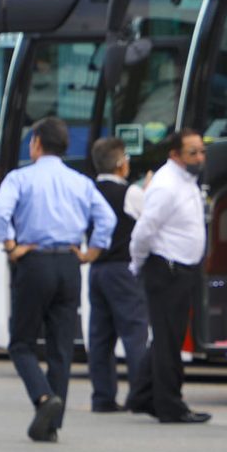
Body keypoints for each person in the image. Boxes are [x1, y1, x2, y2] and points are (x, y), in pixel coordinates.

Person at [0, 116, 113, 442]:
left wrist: (10, 245)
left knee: (21, 342)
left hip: (35, 261)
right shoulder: (81, 182)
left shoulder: (20, 178)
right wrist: (92, 252)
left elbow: (0, 212)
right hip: (69, 265)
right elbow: (107, 218)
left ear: (37, 143)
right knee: (61, 346)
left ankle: (44, 398)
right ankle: (52, 425)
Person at [128, 128, 212, 425]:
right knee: (168, 341)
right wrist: (138, 263)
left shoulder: (186, 180)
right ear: (174, 154)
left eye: (202, 151)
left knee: (168, 336)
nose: (200, 157)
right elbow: (144, 230)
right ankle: (170, 404)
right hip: (167, 268)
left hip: (182, 268)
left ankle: (141, 395)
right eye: (193, 152)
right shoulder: (166, 185)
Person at [85, 136, 154, 418]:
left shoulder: (87, 191)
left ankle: (102, 397)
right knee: (134, 332)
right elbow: (148, 221)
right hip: (123, 270)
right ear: (120, 164)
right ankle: (139, 394)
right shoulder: (130, 193)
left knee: (100, 336)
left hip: (96, 269)